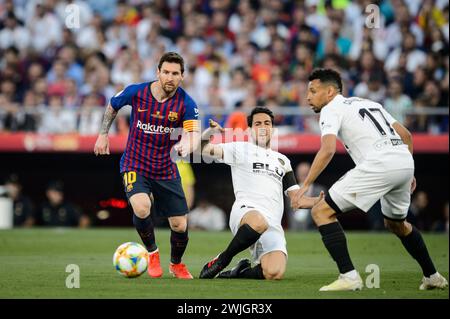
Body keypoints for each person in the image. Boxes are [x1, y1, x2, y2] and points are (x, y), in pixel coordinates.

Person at [293, 68, 448, 291]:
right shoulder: (369, 103)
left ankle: (349, 276)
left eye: (313, 91)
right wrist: (408, 170)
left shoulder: (330, 109)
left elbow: (327, 150)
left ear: (329, 92)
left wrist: (305, 185)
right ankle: (432, 276)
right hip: (403, 161)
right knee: (397, 224)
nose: (308, 97)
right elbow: (406, 135)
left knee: (321, 212)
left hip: (379, 163)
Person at [94, 52, 201, 279]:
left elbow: (193, 134)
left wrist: (185, 145)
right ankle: (152, 253)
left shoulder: (187, 103)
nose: (170, 77)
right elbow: (113, 106)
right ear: (158, 73)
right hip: (135, 163)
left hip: (165, 167)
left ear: (182, 76)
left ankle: (176, 264)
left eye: (175, 73)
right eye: (166, 72)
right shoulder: (137, 91)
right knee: (142, 207)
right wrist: (103, 134)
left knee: (180, 225)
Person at [198, 108, 322, 280]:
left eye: (267, 123)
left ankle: (238, 272)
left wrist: (322, 201)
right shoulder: (239, 149)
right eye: (258, 123)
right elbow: (201, 149)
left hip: (271, 224)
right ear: (249, 130)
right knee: (258, 221)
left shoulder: (283, 161)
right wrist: (209, 132)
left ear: (272, 129)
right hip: (246, 213)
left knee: (274, 273)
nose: (263, 127)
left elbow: (297, 200)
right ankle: (222, 260)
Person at [289, 162, 326, 231]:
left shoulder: (319, 191)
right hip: (294, 229)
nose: (304, 175)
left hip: (313, 230)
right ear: (297, 174)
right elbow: (289, 211)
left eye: (306, 173)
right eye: (301, 173)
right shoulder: (291, 191)